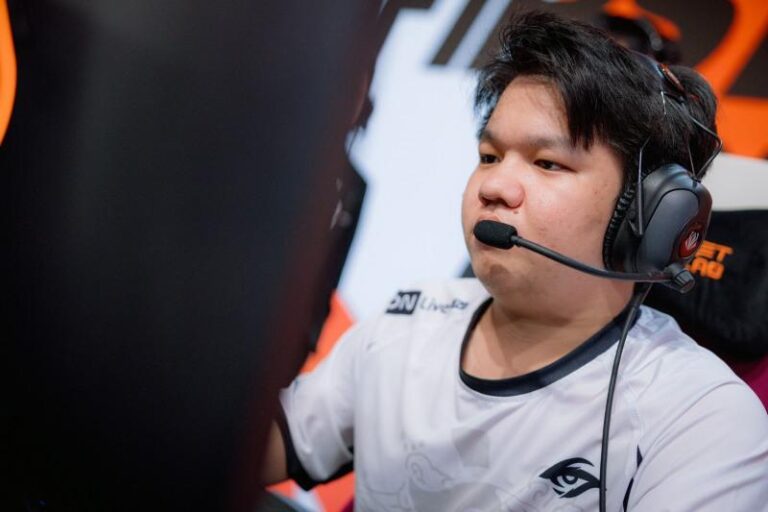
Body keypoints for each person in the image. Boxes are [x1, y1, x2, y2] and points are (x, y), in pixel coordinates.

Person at [261, 11, 768, 511]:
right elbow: (274, 444)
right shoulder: (410, 318)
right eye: (489, 156)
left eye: (548, 163)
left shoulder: (701, 418)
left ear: (646, 215)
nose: (495, 186)